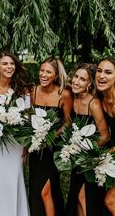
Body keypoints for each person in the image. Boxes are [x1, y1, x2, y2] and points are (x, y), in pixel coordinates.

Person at [0, 50, 31, 216]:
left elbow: (27, 117)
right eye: (5, 64)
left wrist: (26, 145)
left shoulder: (22, 87)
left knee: (13, 178)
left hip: (15, 140)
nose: (9, 67)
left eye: (12, 63)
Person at [29, 56, 73, 216]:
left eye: (48, 72)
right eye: (41, 70)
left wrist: (53, 135)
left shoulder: (64, 94)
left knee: (46, 190)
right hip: (36, 147)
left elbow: (68, 122)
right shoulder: (32, 91)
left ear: (56, 75)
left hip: (53, 149)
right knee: (36, 188)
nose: (43, 74)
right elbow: (28, 118)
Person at [65, 63, 109, 216]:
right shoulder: (73, 99)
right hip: (77, 159)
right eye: (76, 77)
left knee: (85, 197)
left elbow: (105, 135)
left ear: (90, 83)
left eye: (82, 79)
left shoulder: (94, 104)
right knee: (76, 196)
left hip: (91, 158)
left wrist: (86, 152)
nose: (76, 81)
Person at [95, 56, 115, 216]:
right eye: (99, 71)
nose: (101, 76)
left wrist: (111, 151)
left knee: (111, 201)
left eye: (108, 72)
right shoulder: (103, 96)